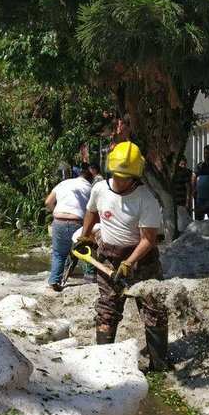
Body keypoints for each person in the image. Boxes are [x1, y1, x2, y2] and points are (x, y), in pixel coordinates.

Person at [76, 141, 169, 371]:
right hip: (108, 257)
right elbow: (91, 211)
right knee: (107, 309)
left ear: (135, 175)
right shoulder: (100, 189)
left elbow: (148, 238)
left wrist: (130, 262)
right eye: (117, 175)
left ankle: (158, 363)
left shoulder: (145, 199)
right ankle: (104, 362)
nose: (120, 180)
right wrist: (85, 236)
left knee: (153, 309)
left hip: (142, 260)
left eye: (125, 177)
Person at [45, 163, 94, 291]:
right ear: (90, 178)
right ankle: (90, 278)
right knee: (85, 250)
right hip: (77, 222)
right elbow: (94, 210)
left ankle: (54, 280)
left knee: (58, 254)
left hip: (58, 220)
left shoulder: (64, 183)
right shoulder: (90, 187)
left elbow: (48, 202)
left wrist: (57, 212)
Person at [172, 156, 193, 232]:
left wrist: (187, 202)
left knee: (183, 223)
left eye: (185, 164)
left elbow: (188, 188)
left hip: (182, 201)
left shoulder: (185, 172)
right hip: (174, 201)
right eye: (181, 164)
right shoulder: (172, 172)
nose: (183, 166)